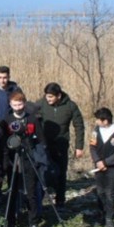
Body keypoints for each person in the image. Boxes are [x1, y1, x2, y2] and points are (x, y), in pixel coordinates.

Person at [3, 91, 49, 227]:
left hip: (29, 160)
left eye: (20, 104)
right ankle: (10, 224)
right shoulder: (6, 120)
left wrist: (39, 157)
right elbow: (3, 142)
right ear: (10, 104)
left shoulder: (32, 119)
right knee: (12, 192)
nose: (17, 107)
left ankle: (33, 222)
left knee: (31, 193)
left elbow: (42, 140)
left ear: (24, 103)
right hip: (13, 160)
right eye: (15, 104)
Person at [35, 82, 85, 210]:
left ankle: (60, 201)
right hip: (45, 145)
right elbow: (31, 115)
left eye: (51, 97)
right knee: (43, 172)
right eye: (47, 96)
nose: (48, 99)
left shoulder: (70, 106)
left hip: (61, 145)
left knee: (61, 173)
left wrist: (79, 146)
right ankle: (39, 200)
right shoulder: (41, 104)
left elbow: (79, 126)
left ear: (59, 95)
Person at [89, 107, 114, 227]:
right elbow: (92, 147)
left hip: (111, 168)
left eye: (98, 120)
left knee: (109, 193)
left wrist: (106, 162)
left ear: (105, 121)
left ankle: (109, 218)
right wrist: (98, 161)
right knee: (100, 191)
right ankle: (101, 214)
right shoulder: (96, 131)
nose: (96, 122)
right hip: (98, 166)